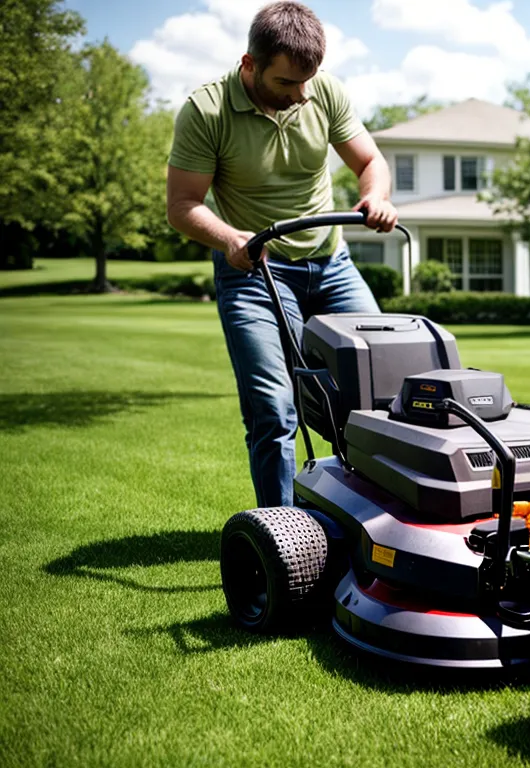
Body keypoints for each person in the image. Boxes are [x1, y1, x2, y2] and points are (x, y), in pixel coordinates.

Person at [166, 1, 397, 508]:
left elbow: (370, 161)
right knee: (272, 408)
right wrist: (229, 238)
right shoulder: (206, 111)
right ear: (249, 65)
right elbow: (182, 206)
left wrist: (375, 195)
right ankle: (285, 536)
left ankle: (366, 517)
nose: (301, 95)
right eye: (287, 84)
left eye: (307, 81)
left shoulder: (322, 91)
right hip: (254, 270)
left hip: (331, 264)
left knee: (383, 387)